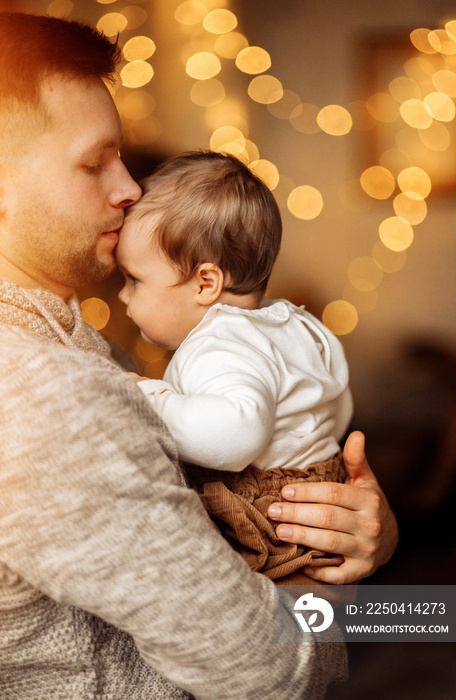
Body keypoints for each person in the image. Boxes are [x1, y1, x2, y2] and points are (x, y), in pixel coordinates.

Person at [0, 12, 398, 699]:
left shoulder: (69, 341)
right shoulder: (45, 393)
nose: (129, 187)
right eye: (94, 163)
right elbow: (276, 674)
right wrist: (343, 587)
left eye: (120, 157)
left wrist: (364, 534)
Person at [117, 150, 353, 584]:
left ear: (206, 283)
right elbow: (337, 405)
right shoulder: (291, 321)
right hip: (320, 503)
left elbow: (236, 435)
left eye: (135, 280)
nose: (123, 296)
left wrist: (149, 397)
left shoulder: (220, 345)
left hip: (267, 522)